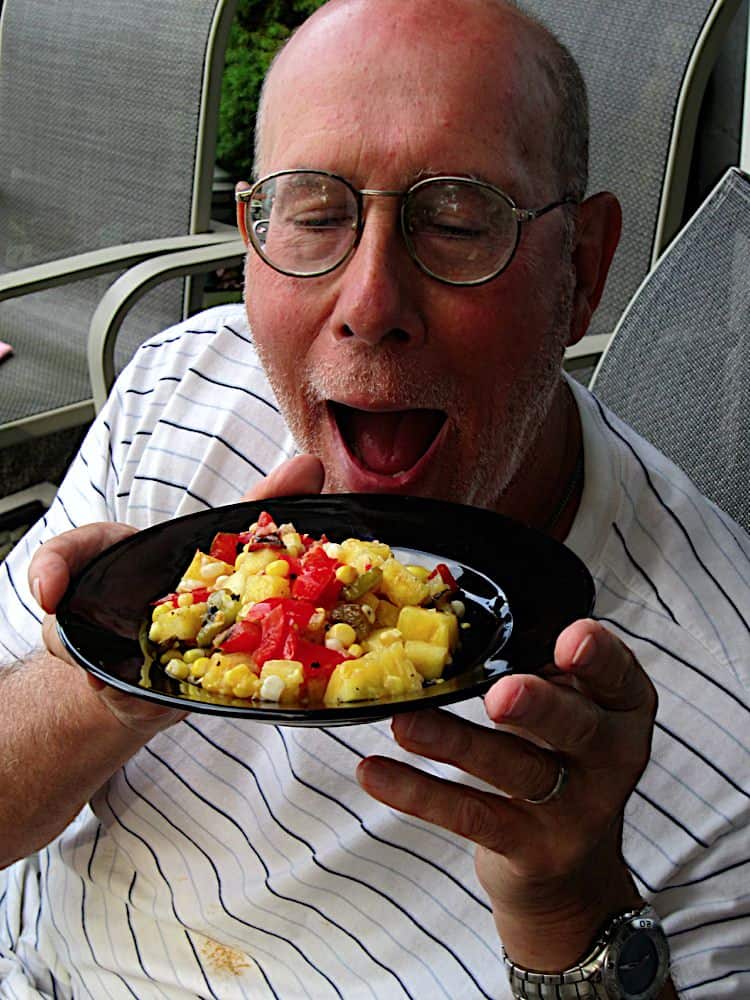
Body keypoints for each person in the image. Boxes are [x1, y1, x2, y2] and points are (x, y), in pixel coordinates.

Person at [0, 0, 748, 996]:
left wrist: (571, 913)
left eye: (456, 221)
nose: (369, 305)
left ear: (585, 269)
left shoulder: (728, 716)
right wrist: (95, 678)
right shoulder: (180, 388)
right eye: (315, 215)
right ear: (251, 239)